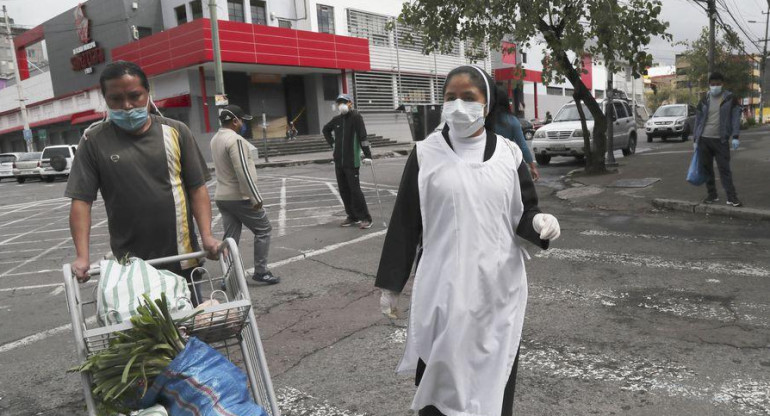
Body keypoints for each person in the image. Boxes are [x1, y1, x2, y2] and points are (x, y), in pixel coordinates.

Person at [375, 65, 561, 416]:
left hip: (498, 292)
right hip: (444, 290)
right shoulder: (426, 154)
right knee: (441, 380)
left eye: (468, 98)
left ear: (486, 104)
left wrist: (540, 222)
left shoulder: (509, 154)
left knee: (493, 379)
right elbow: (405, 221)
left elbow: (524, 211)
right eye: (450, 98)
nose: (458, 106)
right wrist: (391, 284)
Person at [66, 61, 220, 304]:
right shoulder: (93, 141)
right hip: (131, 266)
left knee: (191, 327)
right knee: (149, 335)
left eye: (135, 96)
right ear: (105, 100)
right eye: (115, 99)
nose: (126, 106)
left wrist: (208, 236)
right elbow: (81, 202)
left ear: (149, 94)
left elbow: (197, 189)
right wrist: (82, 257)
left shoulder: (177, 132)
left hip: (182, 256)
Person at [210, 105, 280, 285]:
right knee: (264, 229)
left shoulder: (215, 139)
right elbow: (243, 171)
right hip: (239, 197)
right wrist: (255, 197)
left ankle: (229, 277)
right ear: (235, 121)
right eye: (242, 120)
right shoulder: (235, 140)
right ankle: (261, 271)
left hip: (222, 197)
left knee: (230, 239)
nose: (243, 124)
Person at [322, 93, 373, 229]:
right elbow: (325, 130)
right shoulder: (336, 120)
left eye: (344, 102)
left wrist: (368, 155)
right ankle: (352, 216)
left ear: (350, 103)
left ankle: (365, 218)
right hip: (339, 161)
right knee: (344, 190)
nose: (341, 105)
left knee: (355, 190)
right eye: (339, 102)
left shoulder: (356, 117)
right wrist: (332, 143)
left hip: (352, 161)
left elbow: (363, 136)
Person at [693, 71, 742, 207]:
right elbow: (698, 120)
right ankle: (712, 194)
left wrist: (735, 136)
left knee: (724, 169)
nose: (715, 86)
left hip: (721, 140)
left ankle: (732, 197)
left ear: (722, 84)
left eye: (718, 84)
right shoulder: (704, 100)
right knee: (707, 169)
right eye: (713, 84)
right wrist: (695, 140)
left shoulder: (730, 98)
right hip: (704, 140)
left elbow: (736, 118)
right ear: (709, 85)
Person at [493, 86, 540, 181]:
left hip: (488, 165)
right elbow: (523, 146)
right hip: (507, 164)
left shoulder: (485, 121)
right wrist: (532, 167)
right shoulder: (512, 121)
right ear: (506, 102)